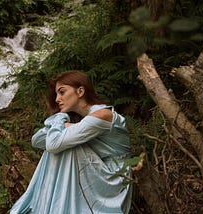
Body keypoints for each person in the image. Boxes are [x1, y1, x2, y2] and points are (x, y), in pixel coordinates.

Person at [10, 70, 132, 214]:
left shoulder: (103, 115)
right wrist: (66, 125)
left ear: (80, 91)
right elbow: (37, 140)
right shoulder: (83, 120)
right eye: (56, 94)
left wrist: (60, 119)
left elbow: (53, 144)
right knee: (64, 143)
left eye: (62, 92)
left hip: (113, 178)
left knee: (65, 146)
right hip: (95, 172)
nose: (57, 99)